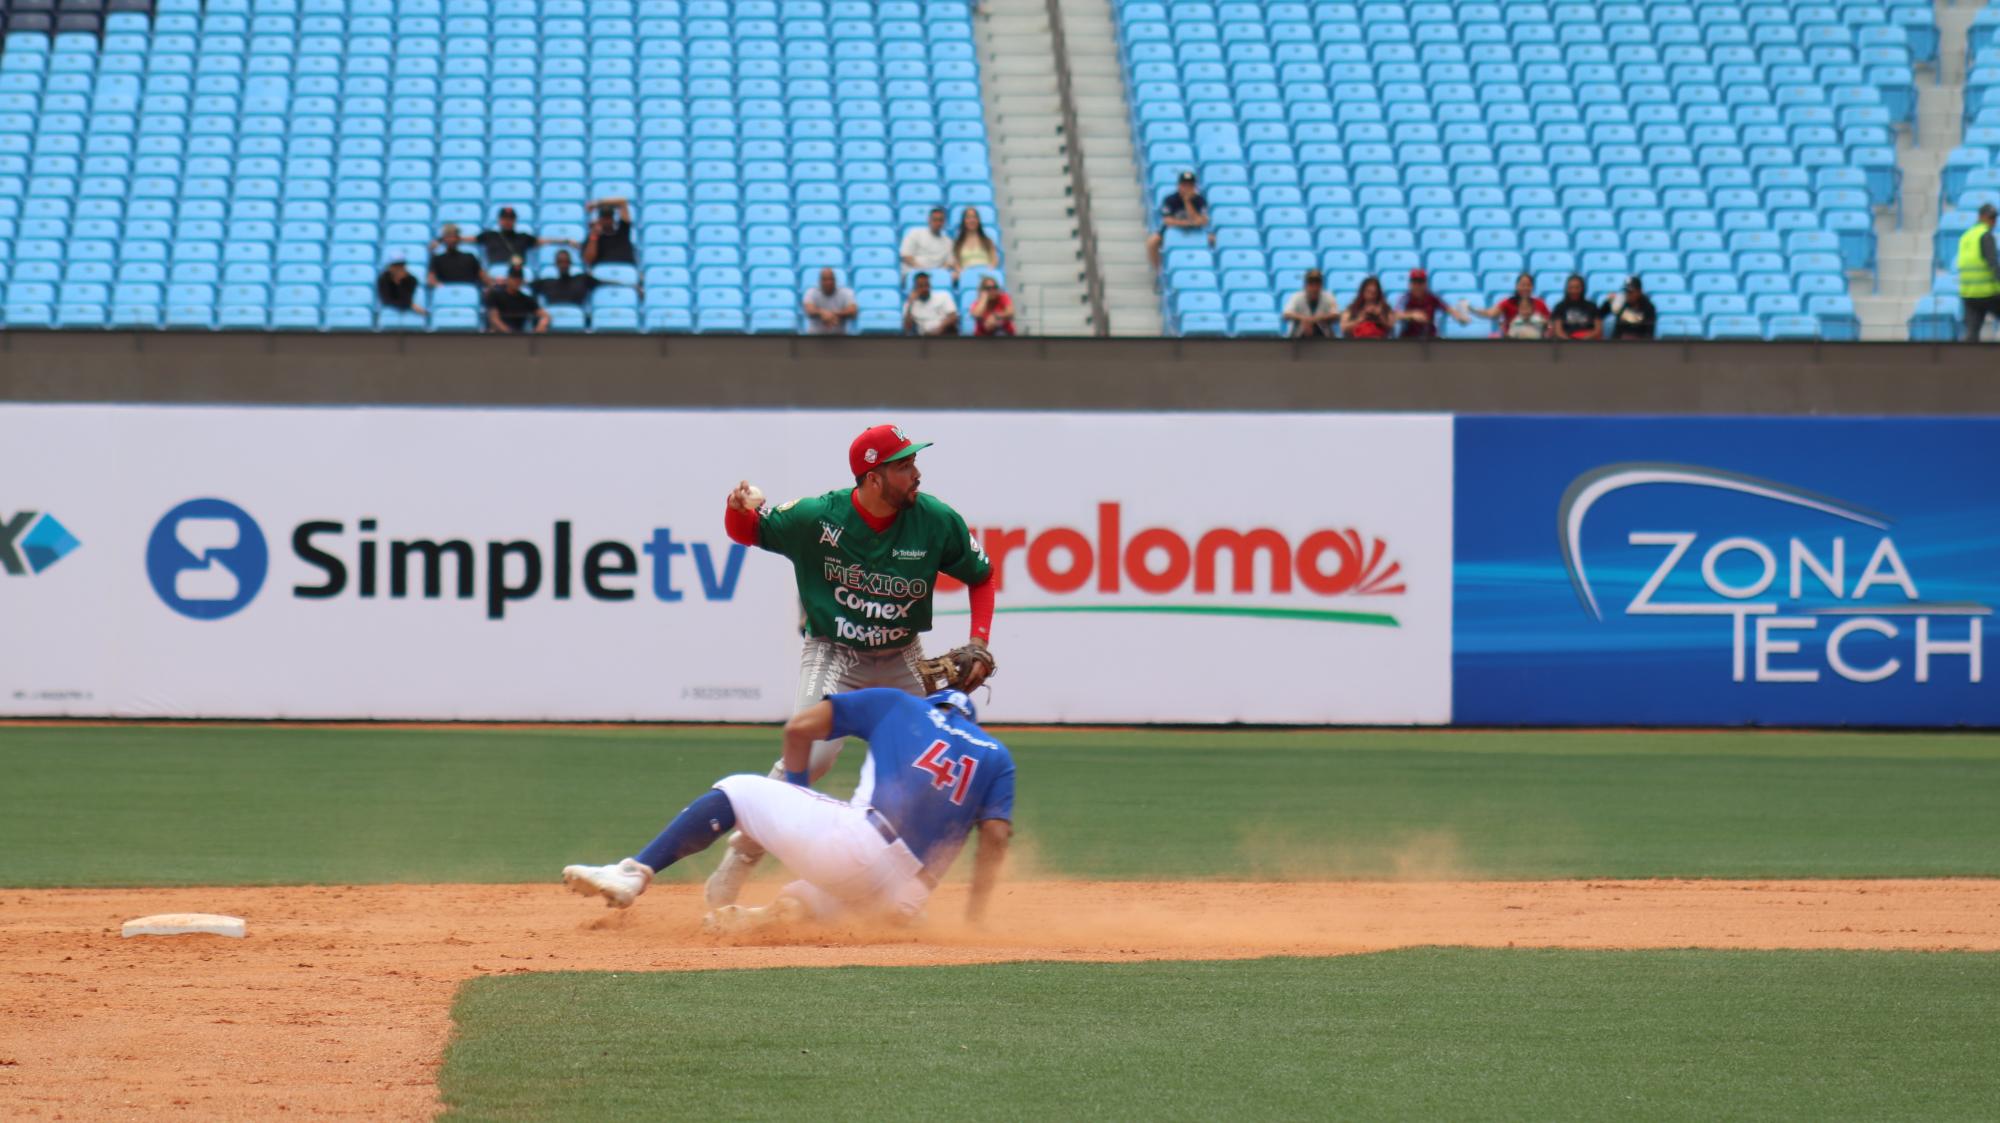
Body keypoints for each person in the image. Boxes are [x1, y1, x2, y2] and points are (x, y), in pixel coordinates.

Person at [705, 423, 998, 907]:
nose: (916, 473)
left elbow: (981, 576)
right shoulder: (818, 517)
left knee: (933, 769)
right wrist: (735, 509)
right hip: (834, 652)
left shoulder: (935, 520)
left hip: (904, 656)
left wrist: (979, 640)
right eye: (903, 465)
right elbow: (747, 531)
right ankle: (741, 857)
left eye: (913, 462)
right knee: (813, 757)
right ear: (873, 477)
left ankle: (895, 888)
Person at [562, 686, 1014, 931]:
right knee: (808, 894)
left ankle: (633, 873)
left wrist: (795, 793)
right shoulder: (996, 754)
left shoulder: (900, 703)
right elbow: (994, 838)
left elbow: (800, 729)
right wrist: (974, 919)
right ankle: (762, 920)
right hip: (906, 899)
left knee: (740, 789)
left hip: (858, 851)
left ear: (933, 701)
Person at [1146, 170, 1212, 270]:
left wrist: (1187, 202)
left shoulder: (1200, 200)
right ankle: (1159, 270)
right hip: (1173, 231)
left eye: (1190, 185)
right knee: (1152, 241)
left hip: (1195, 232)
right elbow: (1167, 220)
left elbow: (1202, 221)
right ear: (1179, 185)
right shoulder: (1170, 199)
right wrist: (1187, 223)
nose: (1187, 188)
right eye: (1184, 185)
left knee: (1214, 239)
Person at [475, 206, 568, 269]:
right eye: (505, 218)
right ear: (499, 220)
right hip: (495, 277)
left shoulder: (523, 237)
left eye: (511, 218)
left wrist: (566, 241)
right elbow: (470, 239)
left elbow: (543, 241)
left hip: (516, 276)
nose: (508, 221)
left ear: (515, 220)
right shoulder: (490, 236)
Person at [1959, 203, 2000, 341]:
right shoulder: (1986, 236)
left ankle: (1967, 361)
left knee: (1972, 334)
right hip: (1988, 293)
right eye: (1991, 218)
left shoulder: (1966, 236)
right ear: (1981, 217)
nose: (1993, 221)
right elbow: (1993, 264)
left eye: (1995, 218)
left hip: (1969, 294)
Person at [1395, 268, 1472, 339]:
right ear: (1410, 284)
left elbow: (1448, 309)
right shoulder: (1405, 298)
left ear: (1426, 284)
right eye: (1415, 282)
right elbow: (1395, 315)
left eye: (1421, 282)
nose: (1418, 286)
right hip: (1409, 339)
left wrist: (1460, 317)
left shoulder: (1432, 298)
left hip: (1429, 337)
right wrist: (1412, 315)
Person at [1471, 273, 1551, 339]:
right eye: (1523, 285)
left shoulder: (1540, 303)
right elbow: (1490, 314)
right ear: (1516, 286)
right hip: (1511, 343)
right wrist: (1471, 309)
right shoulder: (1507, 303)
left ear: (1532, 287)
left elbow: (1550, 323)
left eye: (1528, 285)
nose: (1525, 288)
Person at [529, 249, 618, 306]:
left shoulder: (582, 279)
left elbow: (603, 283)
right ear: (555, 264)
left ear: (570, 263)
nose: (563, 265)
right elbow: (525, 286)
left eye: (566, 262)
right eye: (560, 262)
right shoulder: (547, 283)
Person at [484, 268, 548, 334]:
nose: (516, 281)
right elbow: (494, 318)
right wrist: (509, 332)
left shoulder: (526, 299)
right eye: (513, 278)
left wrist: (540, 326)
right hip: (498, 335)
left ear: (522, 281)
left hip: (519, 335)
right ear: (508, 279)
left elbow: (545, 315)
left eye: (518, 279)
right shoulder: (495, 295)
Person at [1281, 268, 1338, 338]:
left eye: (1317, 283)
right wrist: (1303, 319)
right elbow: (1286, 314)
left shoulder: (1328, 297)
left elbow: (1335, 315)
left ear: (1321, 285)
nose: (1314, 287)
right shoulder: (1297, 297)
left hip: (1324, 338)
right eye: (1311, 283)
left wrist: (1316, 319)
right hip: (1298, 339)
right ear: (1305, 285)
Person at [802, 267, 858, 335]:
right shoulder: (811, 292)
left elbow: (853, 310)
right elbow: (809, 309)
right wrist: (822, 313)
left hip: (840, 339)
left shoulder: (846, 292)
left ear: (835, 280)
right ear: (820, 281)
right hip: (815, 338)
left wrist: (833, 314)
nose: (829, 282)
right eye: (825, 279)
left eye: (831, 279)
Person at [1600, 276, 1658, 340]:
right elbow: (1599, 315)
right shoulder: (1620, 301)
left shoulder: (1648, 307)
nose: (1628, 294)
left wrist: (1620, 310)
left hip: (1638, 345)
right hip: (1617, 343)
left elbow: (1648, 333)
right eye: (1626, 291)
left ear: (1639, 291)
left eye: (1630, 292)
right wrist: (1607, 303)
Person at [582, 197, 635, 266]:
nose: (607, 220)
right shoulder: (593, 237)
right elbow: (588, 260)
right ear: (600, 219)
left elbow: (622, 202)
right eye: (604, 218)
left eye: (609, 217)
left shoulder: (623, 231)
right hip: (601, 274)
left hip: (625, 272)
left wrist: (596, 204)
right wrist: (594, 235)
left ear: (613, 219)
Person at [900, 206, 954, 275]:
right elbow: (906, 256)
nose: (938, 223)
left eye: (940, 220)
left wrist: (937, 274)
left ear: (944, 222)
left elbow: (949, 263)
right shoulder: (915, 234)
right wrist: (922, 271)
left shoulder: (948, 242)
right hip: (915, 274)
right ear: (929, 220)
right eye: (935, 220)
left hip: (937, 277)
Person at [1549, 274, 1604, 341]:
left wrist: (1583, 340)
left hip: (1588, 343)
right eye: (1571, 288)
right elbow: (1558, 331)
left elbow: (1598, 330)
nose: (1574, 291)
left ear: (1583, 288)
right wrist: (1571, 342)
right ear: (1567, 289)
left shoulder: (1592, 306)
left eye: (1577, 288)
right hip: (1566, 344)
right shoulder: (1560, 307)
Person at [902, 270, 959, 335]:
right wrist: (910, 304)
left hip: (944, 334)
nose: (924, 289)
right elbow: (907, 327)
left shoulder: (944, 296)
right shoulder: (910, 303)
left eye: (926, 285)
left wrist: (939, 328)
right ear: (915, 288)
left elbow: (953, 317)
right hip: (924, 338)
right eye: (920, 286)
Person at [1340, 275, 1395, 339]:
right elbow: (1343, 327)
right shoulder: (1353, 308)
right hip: (1358, 342)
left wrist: (1379, 317)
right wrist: (1359, 320)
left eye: (1374, 293)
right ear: (1362, 292)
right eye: (1368, 292)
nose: (1371, 296)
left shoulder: (1385, 308)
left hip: (1379, 342)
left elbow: (1391, 326)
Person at [953, 208, 998, 278]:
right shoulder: (958, 243)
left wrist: (989, 272)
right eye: (968, 217)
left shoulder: (988, 241)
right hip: (967, 278)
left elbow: (994, 260)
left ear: (978, 220)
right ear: (964, 221)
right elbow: (956, 264)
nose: (972, 220)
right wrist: (964, 274)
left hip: (985, 278)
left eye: (974, 217)